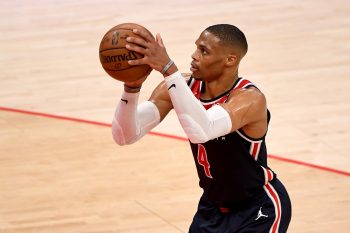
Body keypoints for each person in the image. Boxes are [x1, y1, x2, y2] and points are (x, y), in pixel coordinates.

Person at [112, 24, 292, 233]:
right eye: (196, 47)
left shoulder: (249, 99)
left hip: (257, 209)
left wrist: (168, 69)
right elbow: (124, 135)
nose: (194, 55)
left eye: (204, 51)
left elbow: (202, 129)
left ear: (230, 60)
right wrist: (131, 87)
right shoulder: (182, 87)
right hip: (212, 209)